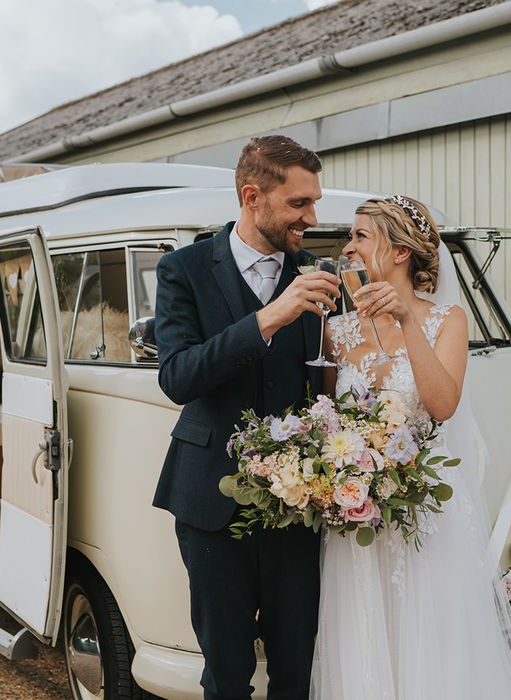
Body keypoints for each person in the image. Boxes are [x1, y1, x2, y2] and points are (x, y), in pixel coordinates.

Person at [312, 196, 511, 699]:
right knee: (365, 636)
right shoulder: (336, 329)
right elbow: (329, 416)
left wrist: (408, 322)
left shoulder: (448, 320)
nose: (347, 246)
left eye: (360, 235)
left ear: (399, 252)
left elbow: (442, 405)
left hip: (426, 511)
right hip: (357, 513)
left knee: (433, 646)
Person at [153, 135, 340, 700]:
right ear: (251, 195)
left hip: (298, 505)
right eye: (299, 204)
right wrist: (270, 317)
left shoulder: (316, 270)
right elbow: (177, 376)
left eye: (314, 202)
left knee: (295, 671)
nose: (312, 217)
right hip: (210, 499)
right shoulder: (181, 270)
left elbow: (327, 380)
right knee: (227, 673)